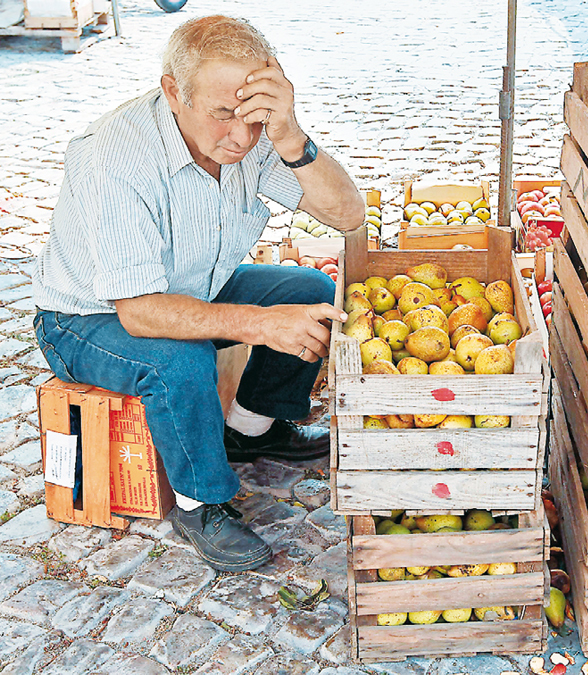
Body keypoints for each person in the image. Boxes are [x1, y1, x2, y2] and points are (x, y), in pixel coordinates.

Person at [32, 15, 364, 571]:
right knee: (179, 360)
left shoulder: (255, 132)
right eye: (222, 115)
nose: (241, 137)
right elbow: (140, 313)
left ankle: (251, 431)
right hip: (85, 317)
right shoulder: (113, 158)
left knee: (312, 290)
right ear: (173, 92)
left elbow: (348, 215)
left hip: (192, 284)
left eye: (254, 117)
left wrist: (289, 137)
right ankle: (199, 503)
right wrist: (261, 324)